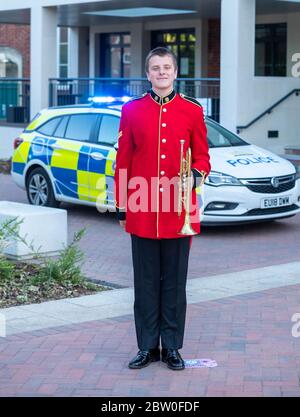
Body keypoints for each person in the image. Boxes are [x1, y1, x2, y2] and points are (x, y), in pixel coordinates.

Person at [114, 47, 211, 370]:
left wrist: (196, 175)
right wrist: (121, 204)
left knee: (174, 284)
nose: (161, 73)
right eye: (155, 68)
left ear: (175, 71)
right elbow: (123, 161)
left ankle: (171, 347)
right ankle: (146, 347)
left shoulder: (192, 111)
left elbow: (203, 157)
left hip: (178, 210)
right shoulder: (131, 110)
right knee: (144, 284)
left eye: (166, 67)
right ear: (147, 73)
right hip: (142, 211)